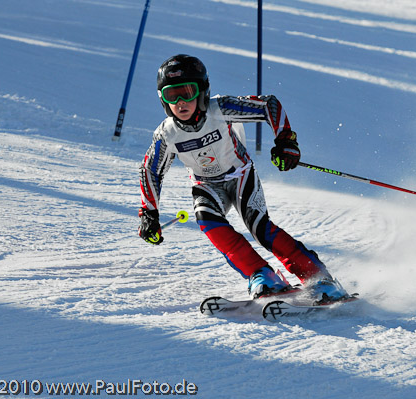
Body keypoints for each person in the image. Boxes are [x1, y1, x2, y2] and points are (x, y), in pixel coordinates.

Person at [138, 54, 348, 303]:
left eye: (187, 92)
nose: (181, 102)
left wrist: (285, 141)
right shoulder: (167, 134)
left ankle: (318, 277)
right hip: (206, 184)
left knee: (258, 226)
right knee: (207, 220)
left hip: (240, 175)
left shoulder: (220, 108)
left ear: (203, 91)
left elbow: (268, 105)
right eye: (172, 96)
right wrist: (148, 213)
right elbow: (151, 170)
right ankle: (261, 275)